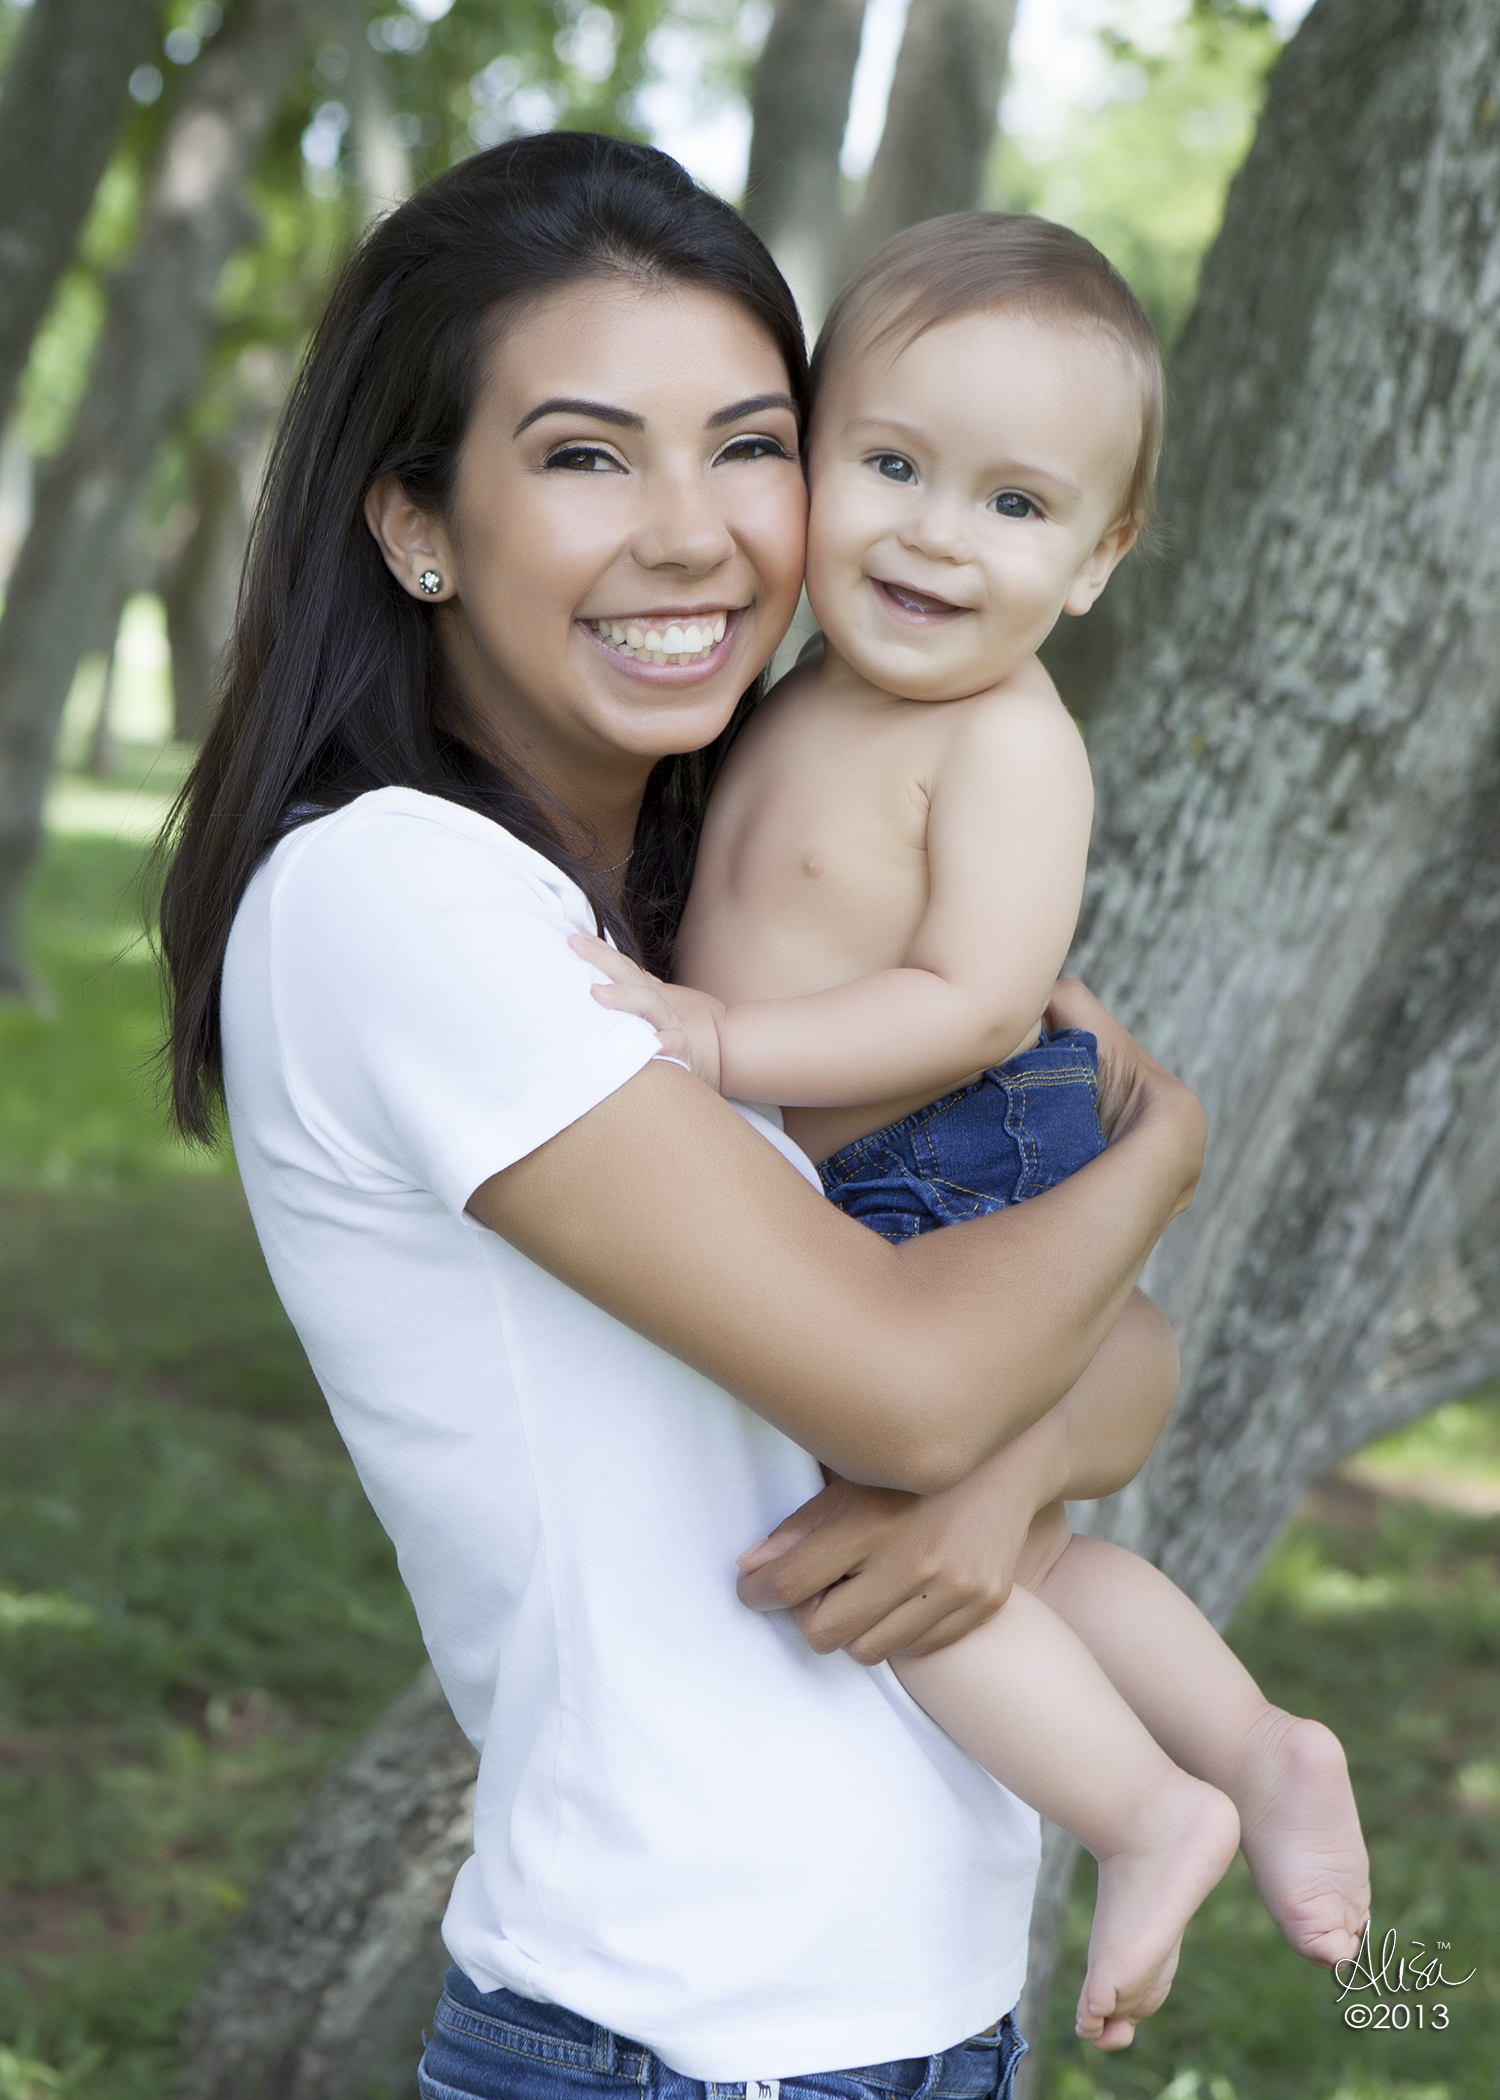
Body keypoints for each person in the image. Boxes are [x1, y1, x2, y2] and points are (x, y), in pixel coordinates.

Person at [159, 136, 1207, 2100]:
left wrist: (998, 1466)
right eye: (582, 456)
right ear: (416, 524)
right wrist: (1159, 1157)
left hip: (912, 2012)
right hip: (679, 2038)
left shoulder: (704, 912)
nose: (695, 532)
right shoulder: (402, 903)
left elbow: (1127, 1377)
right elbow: (913, 1386)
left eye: (748, 445)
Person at [576, 213, 1370, 2051]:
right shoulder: (798, 693)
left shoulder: (1008, 738)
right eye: (894, 466)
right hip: (872, 1171)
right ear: (811, 460)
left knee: (887, 1556)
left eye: (1016, 506)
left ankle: (1145, 1810)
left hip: (940, 1160)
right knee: (1024, 1554)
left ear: (1098, 562)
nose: (938, 532)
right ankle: (1253, 1744)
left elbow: (980, 999)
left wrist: (722, 1035)